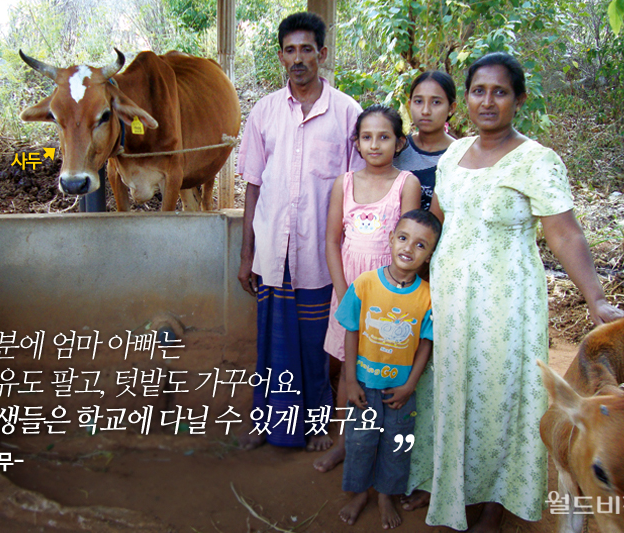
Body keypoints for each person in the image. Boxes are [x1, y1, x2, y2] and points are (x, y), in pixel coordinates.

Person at [401, 52, 624, 531]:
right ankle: (450, 487)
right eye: (478, 91)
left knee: (498, 397)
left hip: (507, 305)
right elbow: (437, 224)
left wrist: (596, 299)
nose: (488, 101)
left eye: (500, 92)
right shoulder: (452, 156)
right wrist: (407, 279)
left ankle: (495, 501)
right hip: (450, 300)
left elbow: (564, 234)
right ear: (466, 99)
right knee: (448, 391)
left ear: (519, 99)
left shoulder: (536, 159)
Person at [237, 12, 364, 450]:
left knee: (315, 345)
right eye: (290, 50)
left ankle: (312, 425)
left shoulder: (348, 113)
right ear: (280, 56)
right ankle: (267, 421)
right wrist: (245, 254)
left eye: (306, 49)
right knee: (271, 341)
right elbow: (253, 183)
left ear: (322, 54)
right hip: (272, 249)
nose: (298, 59)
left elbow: (359, 188)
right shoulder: (265, 112)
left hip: (320, 254)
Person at [314, 105, 421, 473]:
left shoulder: (407, 184)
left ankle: (380, 449)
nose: (374, 145)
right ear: (356, 143)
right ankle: (344, 443)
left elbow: (408, 245)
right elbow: (331, 242)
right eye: (366, 137)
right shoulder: (343, 184)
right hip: (348, 294)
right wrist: (346, 297)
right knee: (348, 368)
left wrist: (394, 295)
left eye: (384, 136)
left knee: (386, 366)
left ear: (399, 142)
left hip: (390, 297)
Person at [335, 210, 440, 529]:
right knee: (360, 442)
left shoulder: (428, 296)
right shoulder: (365, 284)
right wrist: (351, 380)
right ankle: (360, 493)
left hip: (400, 391)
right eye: (404, 238)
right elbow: (351, 330)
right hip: (364, 386)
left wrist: (410, 385)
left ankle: (385, 495)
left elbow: (426, 344)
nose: (409, 248)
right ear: (391, 239)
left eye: (421, 245)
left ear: (430, 255)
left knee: (397, 444)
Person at [392, 71, 457, 211]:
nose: (426, 111)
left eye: (436, 102)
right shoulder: (396, 149)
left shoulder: (460, 155)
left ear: (451, 108)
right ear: (409, 104)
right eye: (418, 101)